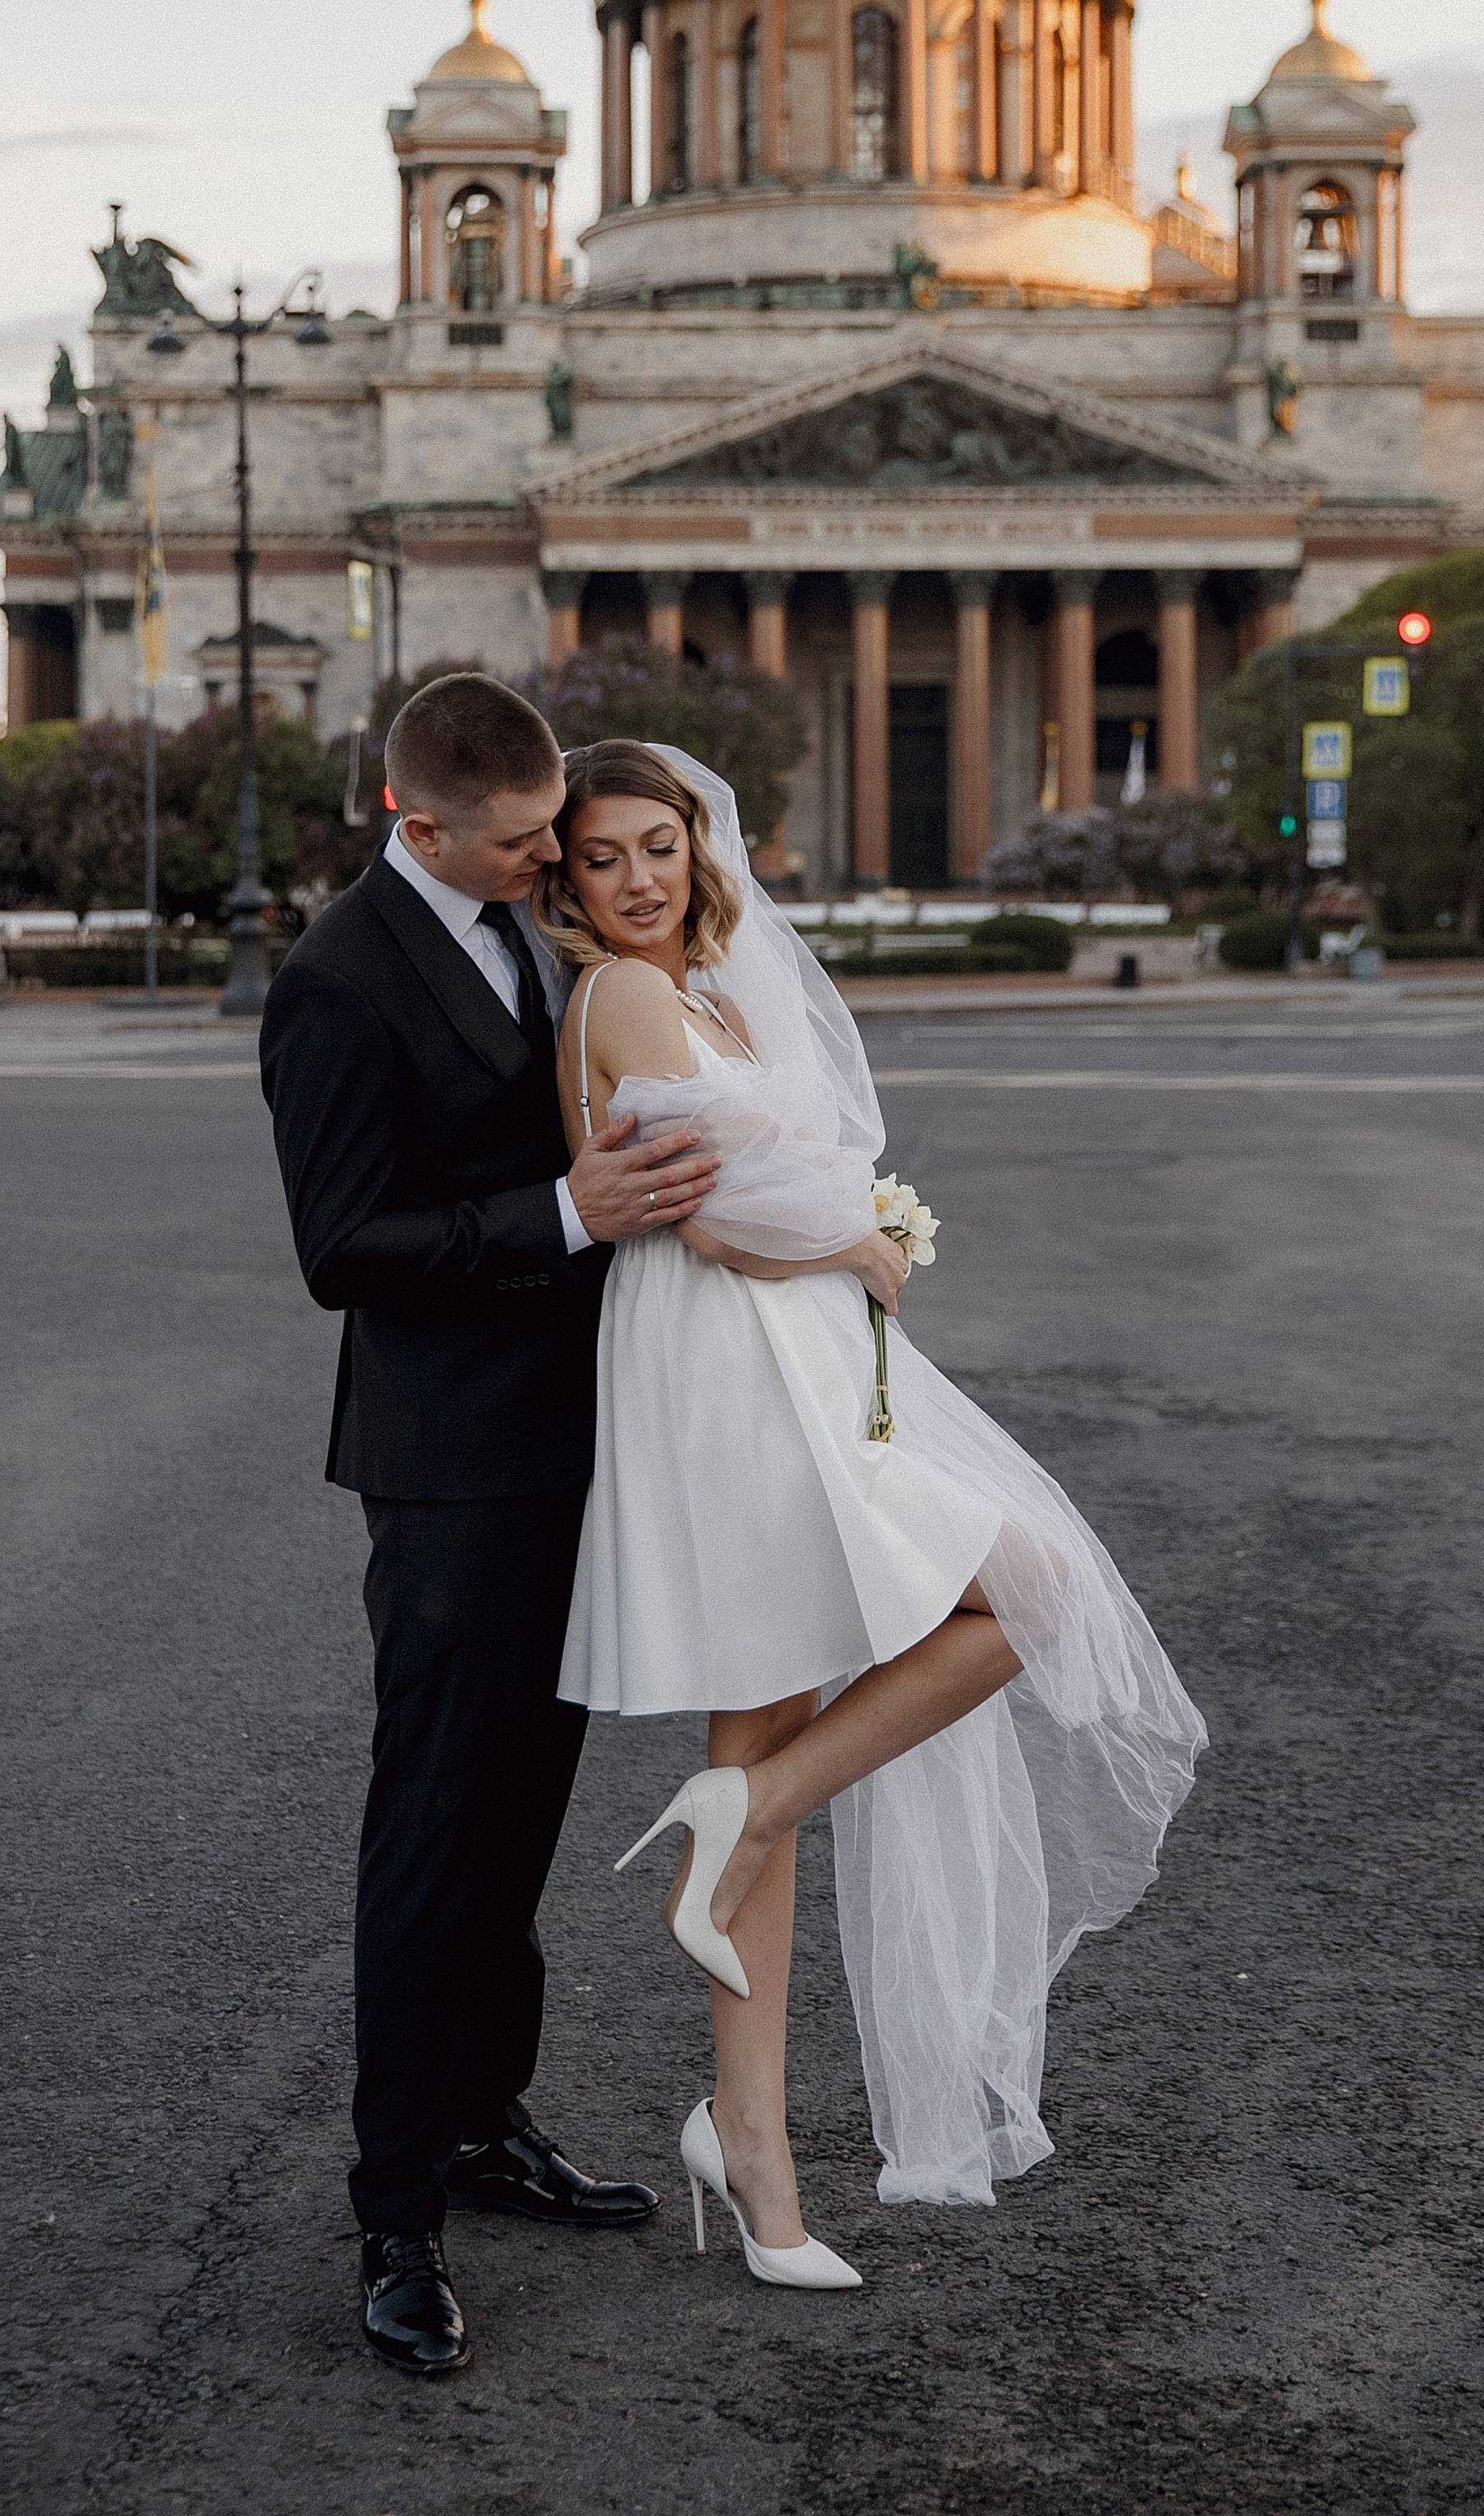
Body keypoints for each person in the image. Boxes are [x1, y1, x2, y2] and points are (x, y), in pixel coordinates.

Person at [539, 740, 1206, 2285]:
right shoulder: (626, 1000)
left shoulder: (704, 991)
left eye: (658, 846)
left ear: (700, 848)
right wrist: (852, 1242)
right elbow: (709, 1214)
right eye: (601, 860)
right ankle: (756, 2090)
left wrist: (841, 1236)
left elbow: (779, 1173)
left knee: (784, 1727)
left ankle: (747, 2085)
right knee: (1018, 1595)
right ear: (565, 886)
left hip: (789, 1361)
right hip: (727, 1365)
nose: (638, 879)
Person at [258, 675, 721, 2380]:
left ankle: (476, 2119)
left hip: (575, 1444)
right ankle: (394, 2214)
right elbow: (341, 1247)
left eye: (558, 836)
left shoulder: (537, 937)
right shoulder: (332, 980)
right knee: (434, 1826)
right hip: (446, 1468)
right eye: (525, 841)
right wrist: (557, 1210)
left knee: (525, 1805)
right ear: (417, 823)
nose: (556, 862)